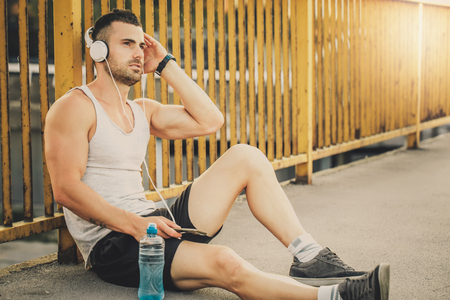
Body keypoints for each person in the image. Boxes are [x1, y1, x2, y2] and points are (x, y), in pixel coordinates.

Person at [44, 9, 390, 300]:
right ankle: (339, 296)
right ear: (99, 51)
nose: (137, 53)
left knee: (246, 156)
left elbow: (211, 120)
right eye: (127, 44)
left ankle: (309, 256)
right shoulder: (74, 108)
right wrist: (136, 226)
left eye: (140, 45)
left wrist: (164, 63)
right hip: (114, 243)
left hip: (152, 220)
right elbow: (67, 190)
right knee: (226, 262)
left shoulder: (142, 110)